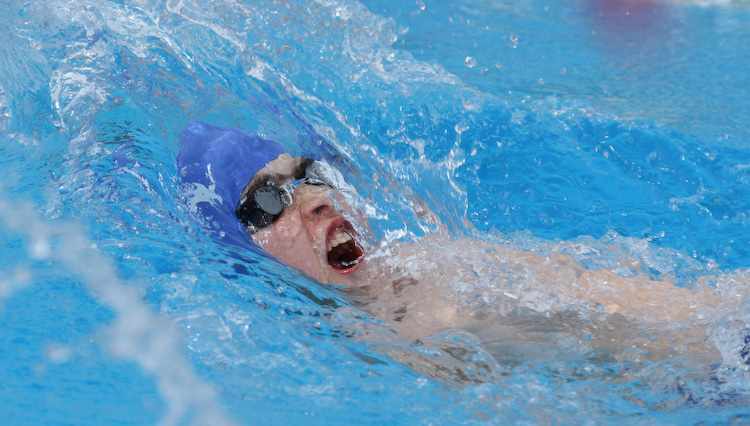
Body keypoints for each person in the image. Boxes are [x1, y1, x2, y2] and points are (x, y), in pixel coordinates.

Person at [178, 122, 737, 341]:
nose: (317, 198)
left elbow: (671, 308)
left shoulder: (438, 263)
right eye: (268, 200)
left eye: (313, 174)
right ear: (238, 249)